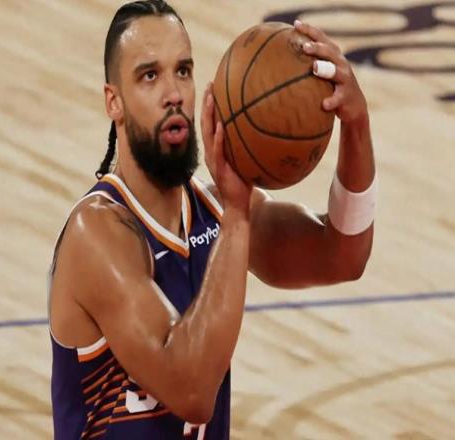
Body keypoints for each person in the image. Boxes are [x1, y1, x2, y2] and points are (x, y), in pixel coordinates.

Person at [48, 1, 376, 439]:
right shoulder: (96, 233)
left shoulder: (214, 208)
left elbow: (343, 255)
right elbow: (191, 391)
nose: (174, 93)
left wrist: (356, 127)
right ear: (114, 102)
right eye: (150, 76)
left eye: (183, 71)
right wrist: (237, 218)